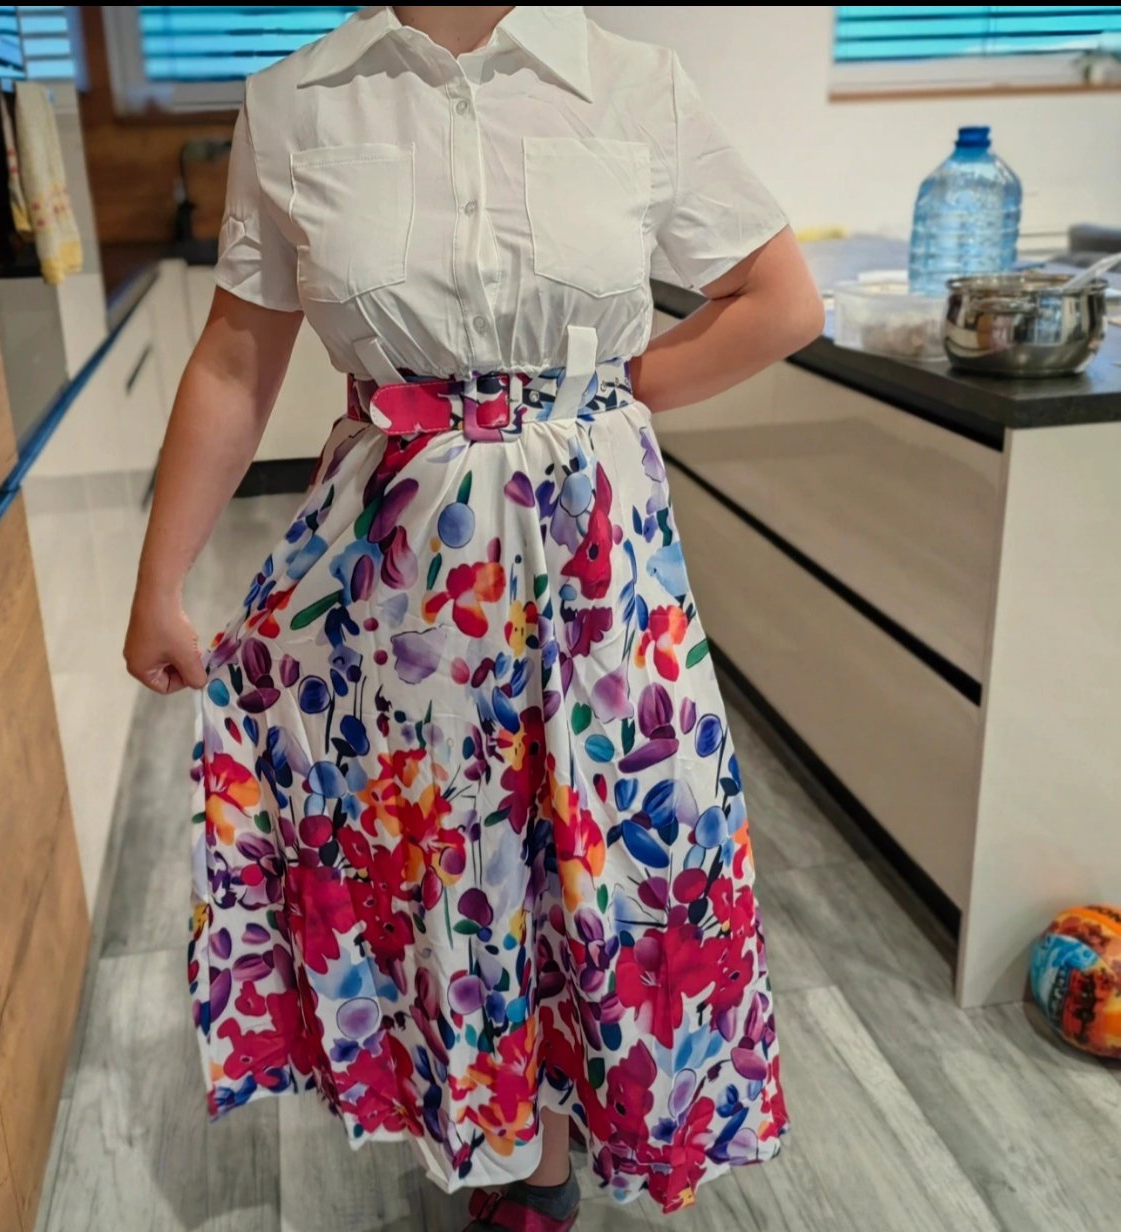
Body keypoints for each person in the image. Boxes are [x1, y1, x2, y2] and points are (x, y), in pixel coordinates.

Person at [124, 7, 823, 1228]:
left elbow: (779, 298)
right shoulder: (294, 102)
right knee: (456, 858)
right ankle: (518, 1157)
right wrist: (158, 582)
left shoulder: (633, 85)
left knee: (615, 848)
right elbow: (237, 357)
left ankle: (579, 1127)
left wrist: (598, 399)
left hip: (598, 564)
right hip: (405, 570)